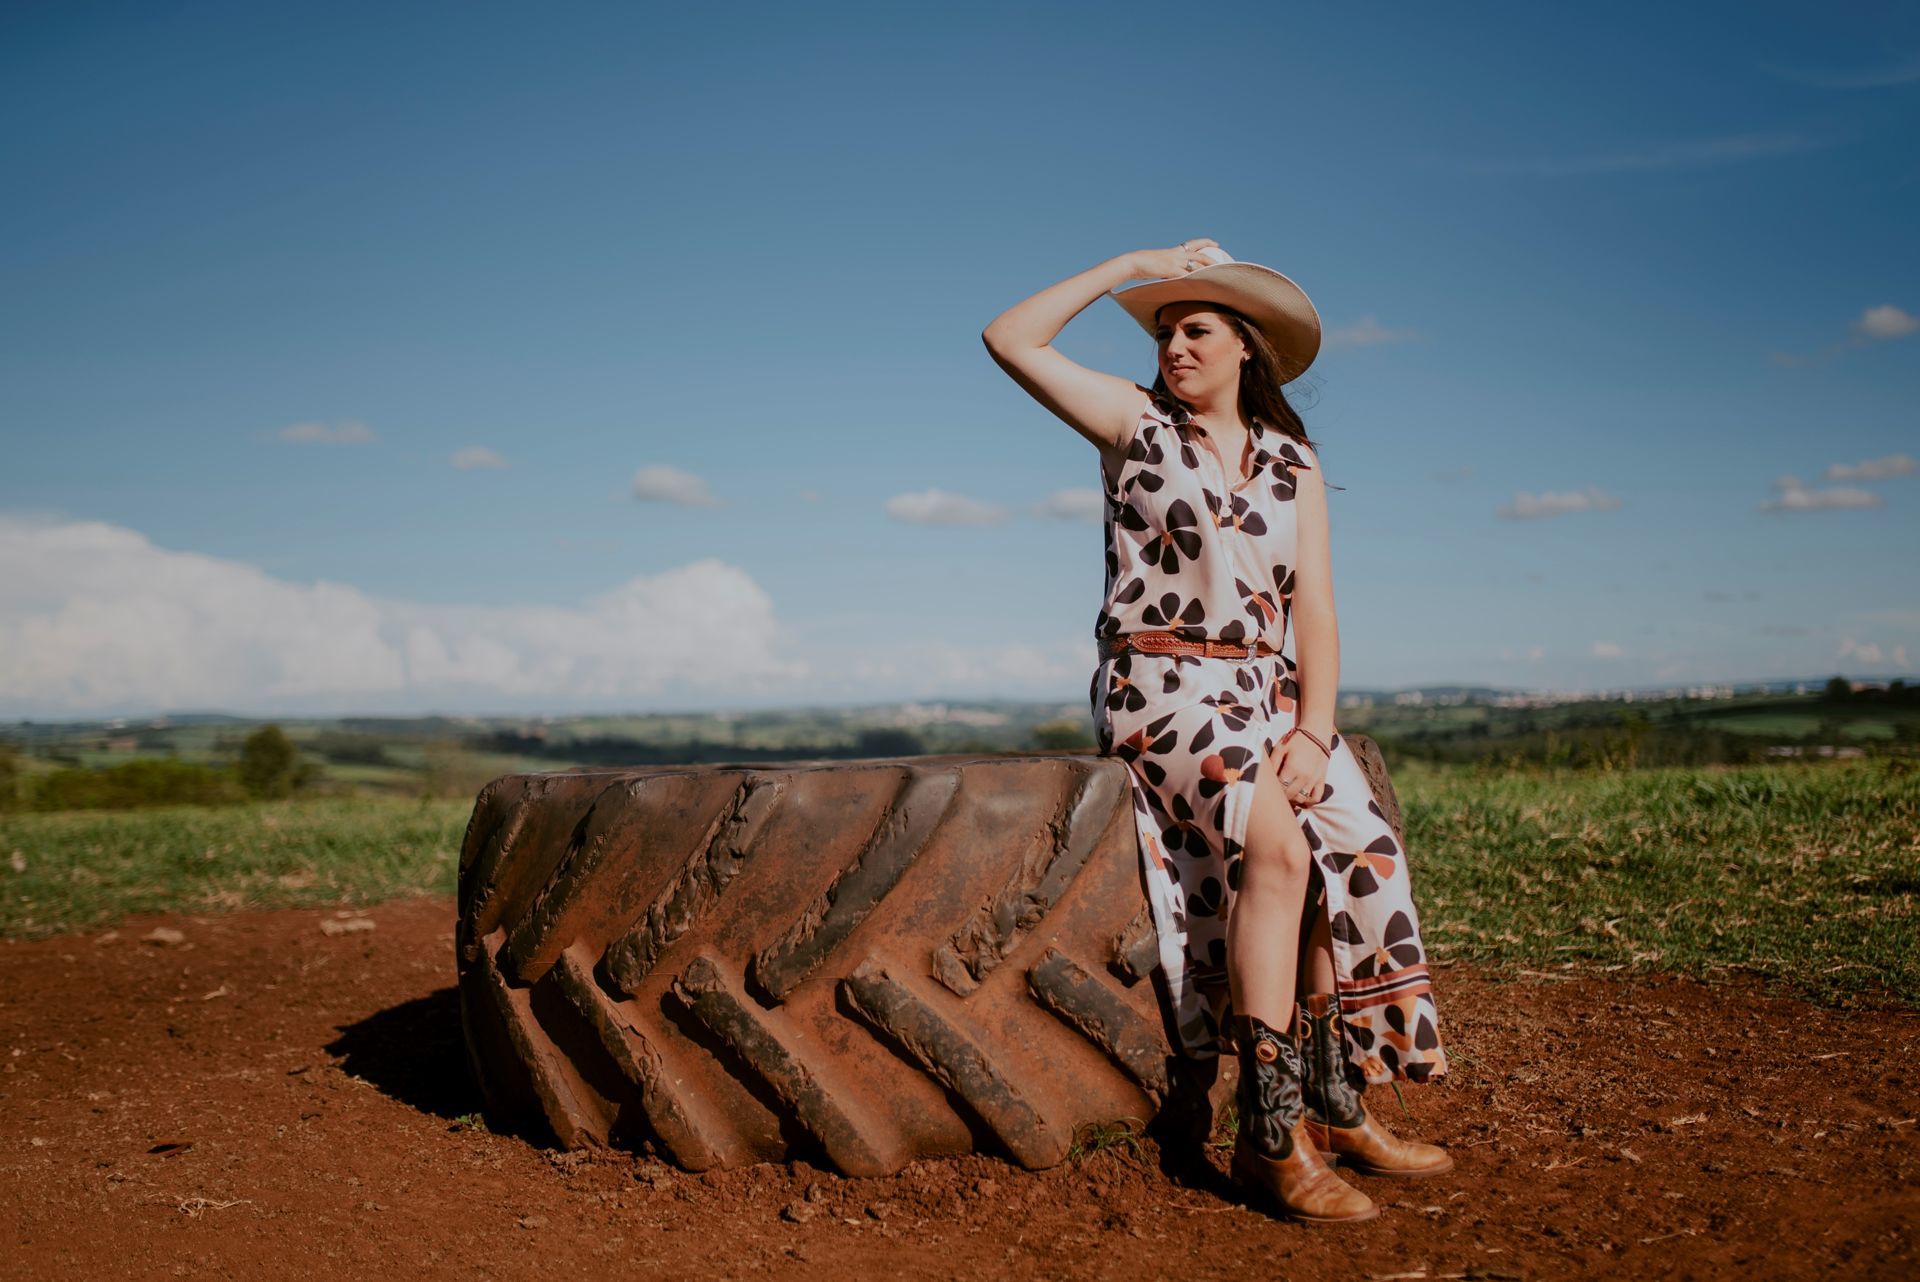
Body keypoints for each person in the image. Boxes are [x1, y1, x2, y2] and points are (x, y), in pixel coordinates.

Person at [982, 240, 1452, 1224]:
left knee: (1353, 846)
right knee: (1276, 847)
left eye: (1196, 328)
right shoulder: (1134, 424)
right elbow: (1008, 336)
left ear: (1249, 346)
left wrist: (1316, 729)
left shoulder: (1293, 463)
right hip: (1159, 687)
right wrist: (1127, 265)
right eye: (1165, 331)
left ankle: (1335, 1101)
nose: (1174, 346)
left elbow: (1315, 608)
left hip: (1267, 695)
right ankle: (1267, 1138)